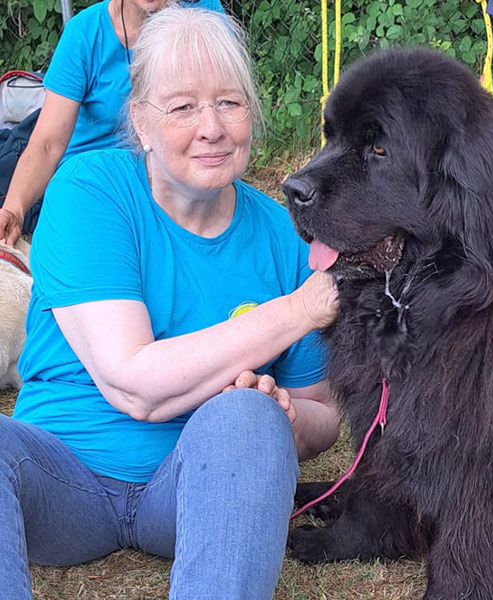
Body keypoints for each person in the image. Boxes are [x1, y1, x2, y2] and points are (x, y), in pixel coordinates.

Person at [0, 6, 340, 600]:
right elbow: (131, 381)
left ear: (251, 115)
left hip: (192, 492)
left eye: (229, 103)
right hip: (60, 479)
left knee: (249, 416)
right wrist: (297, 311)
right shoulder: (89, 190)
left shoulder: (286, 239)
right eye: (182, 107)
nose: (211, 127)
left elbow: (326, 413)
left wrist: (282, 415)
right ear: (140, 121)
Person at [0, 0, 224, 245]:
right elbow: (47, 143)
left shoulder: (204, 15)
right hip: (93, 184)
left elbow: (224, 105)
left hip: (170, 179)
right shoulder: (85, 33)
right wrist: (13, 211)